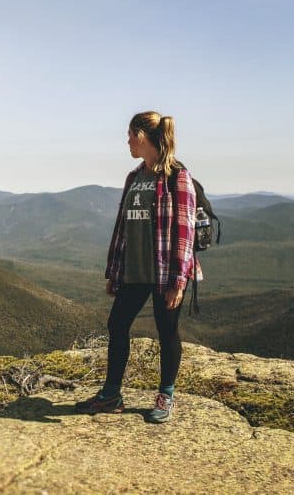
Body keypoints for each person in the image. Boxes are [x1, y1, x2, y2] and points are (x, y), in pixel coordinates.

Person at [75, 111, 201, 423]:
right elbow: (122, 227)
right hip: (134, 271)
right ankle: (111, 394)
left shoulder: (177, 178)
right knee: (117, 324)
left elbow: (185, 232)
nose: (128, 142)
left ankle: (165, 396)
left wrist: (179, 280)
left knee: (167, 329)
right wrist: (113, 271)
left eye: (130, 136)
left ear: (142, 136)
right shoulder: (134, 177)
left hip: (164, 272)